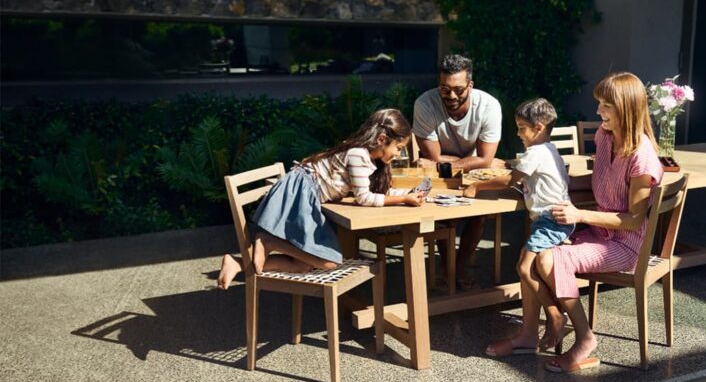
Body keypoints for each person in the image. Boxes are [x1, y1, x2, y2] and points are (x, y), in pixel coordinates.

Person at [484, 72, 664, 372]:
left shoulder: (642, 158)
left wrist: (579, 215)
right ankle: (528, 336)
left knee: (548, 259)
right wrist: (554, 184)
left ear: (626, 109)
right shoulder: (606, 138)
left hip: (624, 244)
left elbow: (633, 220)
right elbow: (597, 183)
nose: (598, 112)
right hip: (597, 234)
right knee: (529, 259)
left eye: (606, 106)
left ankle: (584, 338)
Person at [217, 108, 424, 289]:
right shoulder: (358, 155)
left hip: (307, 195)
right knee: (328, 261)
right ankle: (268, 241)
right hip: (301, 194)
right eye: (398, 147)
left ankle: (237, 263)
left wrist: (408, 194)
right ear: (381, 140)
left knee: (303, 264)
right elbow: (364, 198)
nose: (398, 153)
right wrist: (404, 200)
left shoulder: (365, 157)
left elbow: (376, 192)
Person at [463, 98, 573, 352]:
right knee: (525, 267)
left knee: (524, 268)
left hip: (551, 220)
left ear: (538, 127)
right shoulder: (549, 149)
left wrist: (476, 186)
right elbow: (526, 180)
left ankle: (556, 315)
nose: (518, 133)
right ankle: (547, 319)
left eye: (522, 127)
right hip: (552, 219)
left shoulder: (536, 153)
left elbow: (509, 179)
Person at [413, 53, 502, 289]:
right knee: (444, 214)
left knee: (478, 214)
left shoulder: (489, 106)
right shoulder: (425, 104)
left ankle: (457, 267)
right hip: (443, 173)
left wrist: (481, 161)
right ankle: (449, 267)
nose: (451, 96)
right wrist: (478, 160)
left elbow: (483, 159)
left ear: (470, 85)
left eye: (459, 90)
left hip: (471, 174)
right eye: (445, 89)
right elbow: (432, 158)